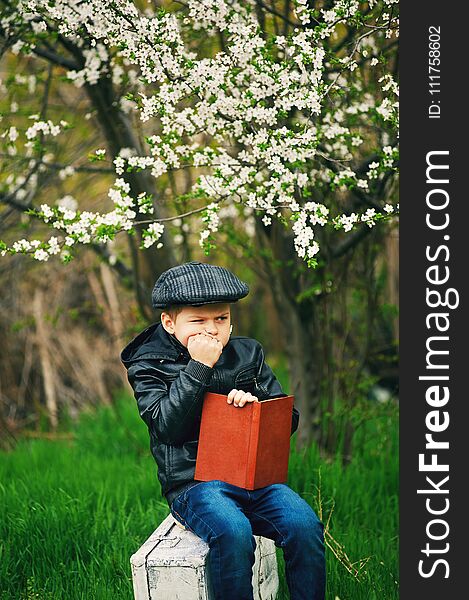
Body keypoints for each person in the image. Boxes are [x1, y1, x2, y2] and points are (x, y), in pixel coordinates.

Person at [120, 261, 325, 600]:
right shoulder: (148, 364)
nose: (212, 330)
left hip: (252, 479)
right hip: (193, 485)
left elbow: (287, 420)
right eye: (198, 321)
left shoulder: (248, 353)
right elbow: (167, 428)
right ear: (169, 322)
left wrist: (254, 407)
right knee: (233, 530)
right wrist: (200, 366)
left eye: (221, 318)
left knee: (304, 525)